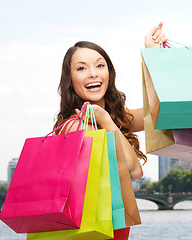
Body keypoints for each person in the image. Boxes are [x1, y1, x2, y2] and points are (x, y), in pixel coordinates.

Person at [54, 22, 168, 180]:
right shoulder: (77, 127)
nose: (93, 73)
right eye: (81, 68)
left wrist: (152, 55)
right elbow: (133, 170)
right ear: (70, 80)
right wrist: (106, 120)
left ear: (109, 73)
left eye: (100, 65)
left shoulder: (115, 116)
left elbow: (160, 112)